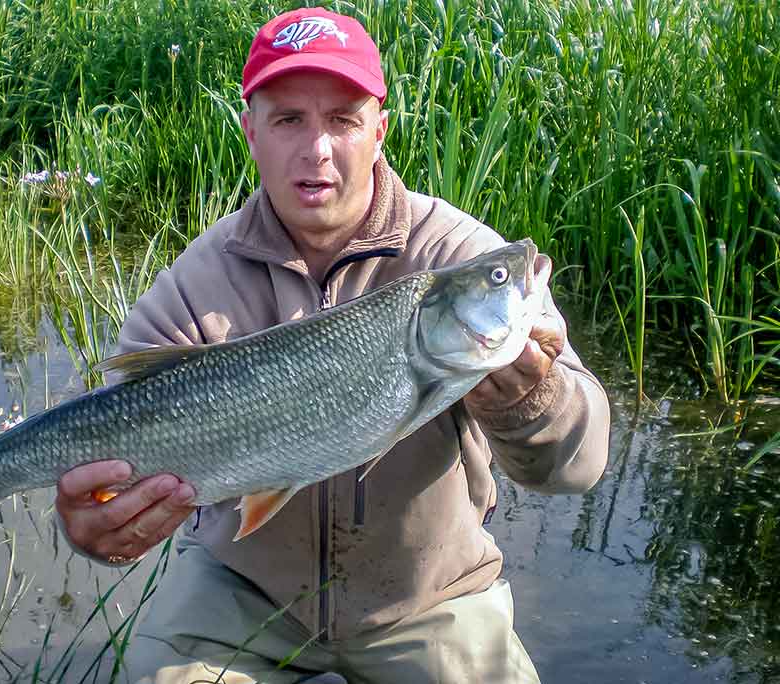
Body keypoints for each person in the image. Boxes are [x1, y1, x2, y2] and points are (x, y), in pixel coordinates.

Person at [55, 8, 610, 683]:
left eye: (343, 120)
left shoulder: (462, 257)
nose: (316, 149)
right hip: (242, 587)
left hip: (428, 595)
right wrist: (99, 531)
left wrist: (533, 399)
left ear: (378, 132)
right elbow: (114, 465)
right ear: (250, 131)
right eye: (288, 119)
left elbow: (579, 469)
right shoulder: (193, 285)